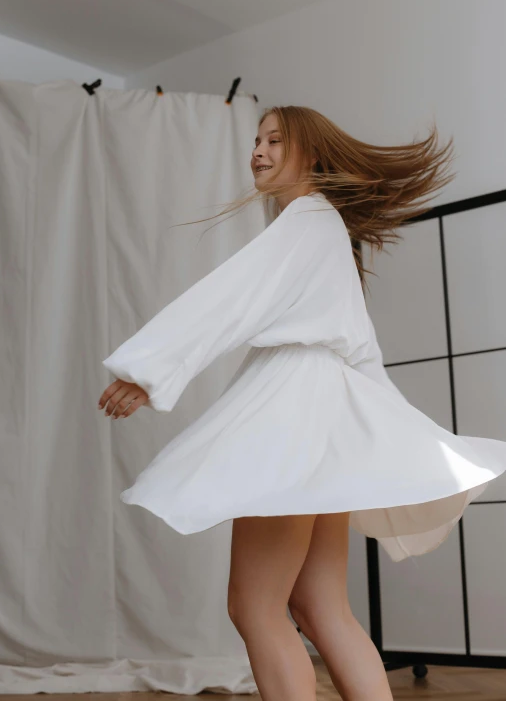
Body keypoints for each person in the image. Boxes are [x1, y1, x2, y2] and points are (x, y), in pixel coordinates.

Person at [98, 106, 506, 701]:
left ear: (311, 155)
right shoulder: (326, 227)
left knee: (255, 606)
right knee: (319, 606)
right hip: (326, 413)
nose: (258, 152)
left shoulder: (305, 222)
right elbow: (360, 349)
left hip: (291, 412)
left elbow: (227, 299)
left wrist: (149, 371)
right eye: (256, 140)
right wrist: (380, 430)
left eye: (274, 141)